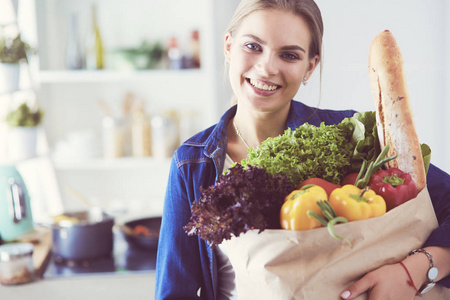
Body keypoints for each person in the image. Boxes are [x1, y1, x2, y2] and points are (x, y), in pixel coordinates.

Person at [155, 0, 450, 299]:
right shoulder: (192, 164)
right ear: (229, 46)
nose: (267, 67)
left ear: (310, 67)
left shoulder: (353, 136)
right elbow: (175, 291)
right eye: (253, 47)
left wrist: (414, 271)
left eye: (289, 55)